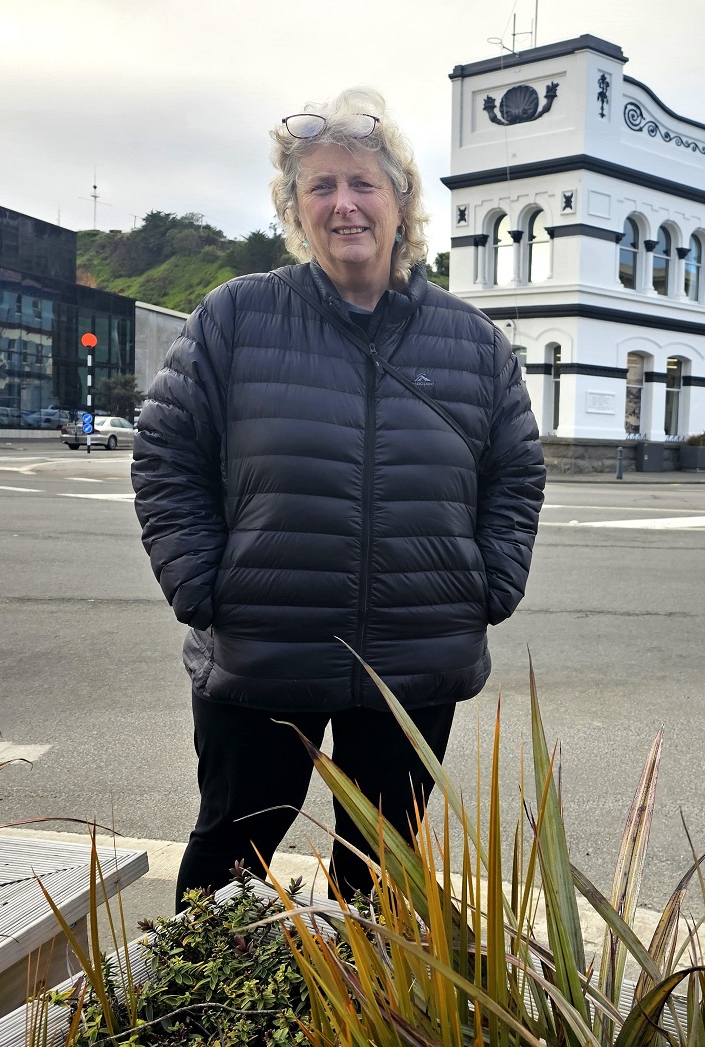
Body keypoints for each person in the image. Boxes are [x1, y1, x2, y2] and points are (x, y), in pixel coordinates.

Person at [132, 87, 546, 907]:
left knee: (380, 878)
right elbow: (167, 452)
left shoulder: (473, 342)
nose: (344, 204)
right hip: (262, 653)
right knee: (227, 865)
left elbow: (516, 473)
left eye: (363, 184)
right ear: (296, 209)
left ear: (403, 202)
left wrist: (488, 585)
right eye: (320, 186)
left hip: (415, 660)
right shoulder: (237, 317)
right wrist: (203, 585)